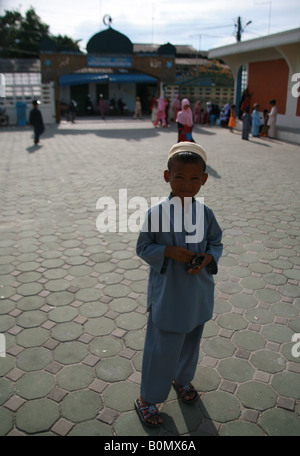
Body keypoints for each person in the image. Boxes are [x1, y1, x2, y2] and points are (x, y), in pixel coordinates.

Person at [135, 142, 223, 427]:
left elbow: (216, 242)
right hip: (169, 296)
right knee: (161, 348)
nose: (187, 185)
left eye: (194, 179)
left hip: (197, 295)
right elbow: (143, 247)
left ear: (204, 180)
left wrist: (208, 257)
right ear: (167, 177)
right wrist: (167, 252)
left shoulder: (205, 213)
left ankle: (182, 379)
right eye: (179, 178)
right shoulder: (156, 213)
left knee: (190, 343)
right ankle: (148, 398)